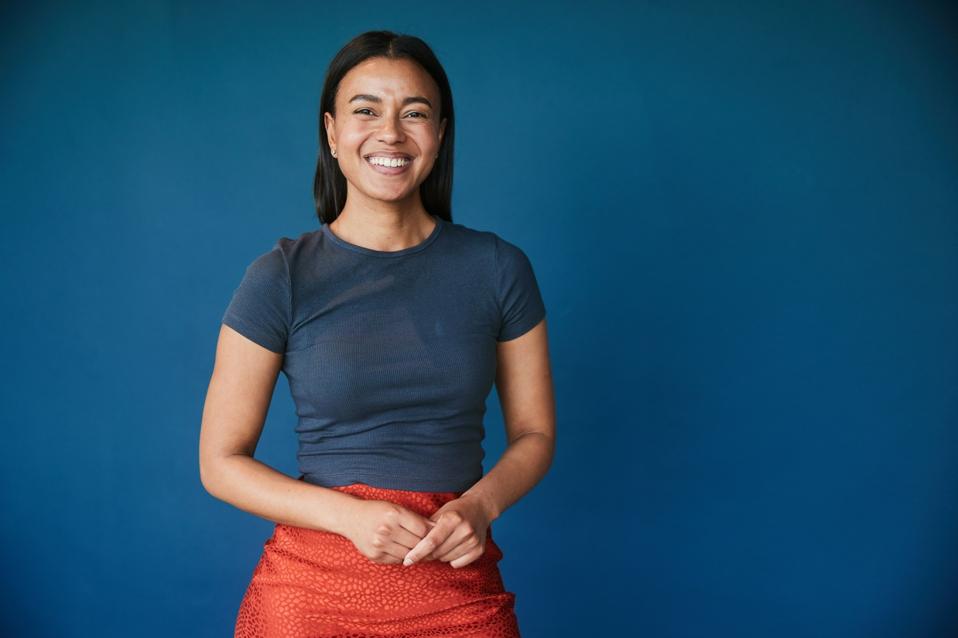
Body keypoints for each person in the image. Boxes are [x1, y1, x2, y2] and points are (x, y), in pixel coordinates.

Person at [199, 30, 555, 638]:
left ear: (440, 135)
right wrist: (350, 517)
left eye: (414, 113)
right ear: (333, 132)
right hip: (311, 592)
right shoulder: (280, 277)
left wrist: (480, 505)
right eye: (366, 110)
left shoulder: (498, 268)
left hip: (454, 581)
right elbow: (220, 463)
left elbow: (534, 432)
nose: (390, 132)